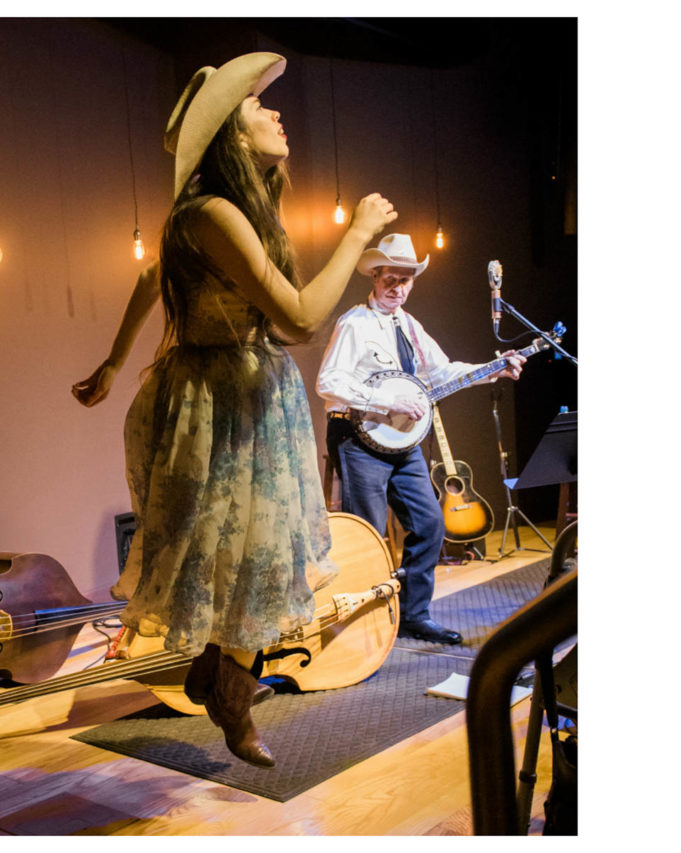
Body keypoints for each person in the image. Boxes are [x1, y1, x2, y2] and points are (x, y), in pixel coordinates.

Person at [71, 53, 400, 767]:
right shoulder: (212, 211)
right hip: (223, 394)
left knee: (250, 543)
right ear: (231, 133)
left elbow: (153, 273)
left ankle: (219, 668)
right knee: (247, 547)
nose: (275, 112)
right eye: (258, 105)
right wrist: (357, 235)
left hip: (245, 386)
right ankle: (231, 689)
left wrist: (115, 358)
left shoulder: (230, 208)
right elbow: (305, 320)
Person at [316, 234, 526, 645]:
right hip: (358, 437)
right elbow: (329, 381)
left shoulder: (410, 326)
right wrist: (385, 397)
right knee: (370, 533)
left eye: (405, 280)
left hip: (399, 439)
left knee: (430, 522)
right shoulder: (354, 324)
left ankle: (413, 615)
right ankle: (366, 624)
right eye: (389, 279)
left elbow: (442, 373)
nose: (397, 288)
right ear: (374, 278)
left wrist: (494, 369)